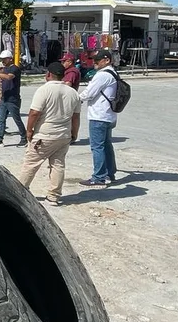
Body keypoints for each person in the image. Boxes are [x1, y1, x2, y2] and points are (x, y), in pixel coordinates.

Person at [17, 62, 82, 206]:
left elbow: (34, 112)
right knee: (58, 165)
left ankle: (19, 192)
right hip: (63, 135)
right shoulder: (73, 93)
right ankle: (53, 196)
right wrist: (74, 133)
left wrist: (29, 130)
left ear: (48, 74)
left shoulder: (44, 90)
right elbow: (76, 117)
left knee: (30, 164)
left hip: (44, 135)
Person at [79, 49, 119, 188]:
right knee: (106, 145)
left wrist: (75, 99)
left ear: (106, 60)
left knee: (97, 147)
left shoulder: (102, 75)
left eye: (97, 61)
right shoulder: (112, 73)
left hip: (99, 115)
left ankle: (99, 177)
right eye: (93, 60)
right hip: (108, 115)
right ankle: (110, 173)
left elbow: (89, 93)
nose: (94, 63)